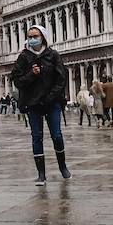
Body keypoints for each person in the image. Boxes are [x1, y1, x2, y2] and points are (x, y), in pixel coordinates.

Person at [10, 25, 70, 185]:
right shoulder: (24, 57)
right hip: (33, 103)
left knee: (56, 135)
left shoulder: (53, 55)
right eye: (29, 36)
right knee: (37, 137)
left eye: (35, 36)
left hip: (52, 102)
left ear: (43, 37)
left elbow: (61, 79)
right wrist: (31, 74)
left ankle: (63, 167)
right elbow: (16, 81)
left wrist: (51, 97)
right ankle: (41, 174)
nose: (32, 39)